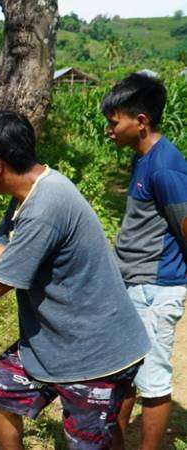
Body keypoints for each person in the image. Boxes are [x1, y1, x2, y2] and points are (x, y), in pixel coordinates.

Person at [0, 110, 150, 449]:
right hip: (54, 342)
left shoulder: (45, 207)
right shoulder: (30, 192)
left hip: (94, 353)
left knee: (90, 443)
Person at [103, 73, 187, 450]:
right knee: (125, 376)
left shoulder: (165, 166)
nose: (109, 130)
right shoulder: (143, 159)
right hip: (134, 286)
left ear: (141, 121)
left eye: (114, 121)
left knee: (152, 381)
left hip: (154, 290)